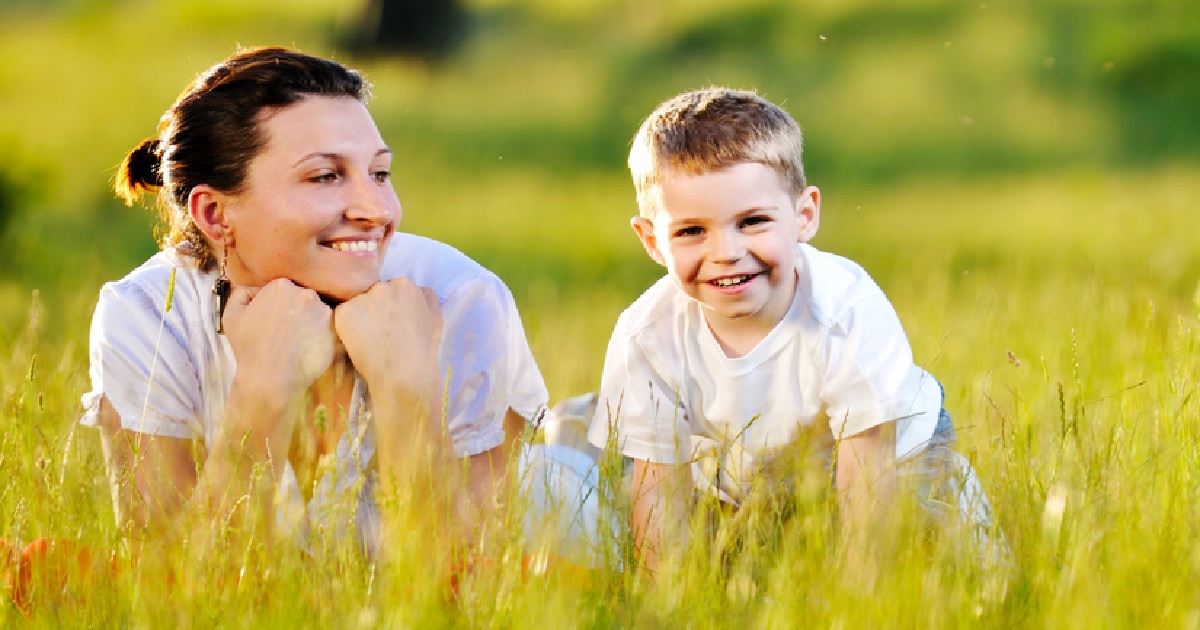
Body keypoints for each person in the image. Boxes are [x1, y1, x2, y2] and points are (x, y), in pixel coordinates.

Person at [78, 46, 551, 565]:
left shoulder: (462, 300)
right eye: (325, 176)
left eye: (380, 173)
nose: (377, 210)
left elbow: (468, 593)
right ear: (214, 214)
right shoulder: (149, 315)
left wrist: (408, 384)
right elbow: (171, 593)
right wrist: (261, 389)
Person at [587, 87, 1004, 576]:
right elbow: (659, 487)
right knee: (738, 574)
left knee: (938, 569)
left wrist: (858, 599)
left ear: (804, 216)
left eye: (753, 221)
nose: (726, 252)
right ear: (652, 239)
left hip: (893, 455)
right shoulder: (647, 335)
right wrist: (668, 600)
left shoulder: (846, 312)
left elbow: (867, 476)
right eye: (691, 231)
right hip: (744, 476)